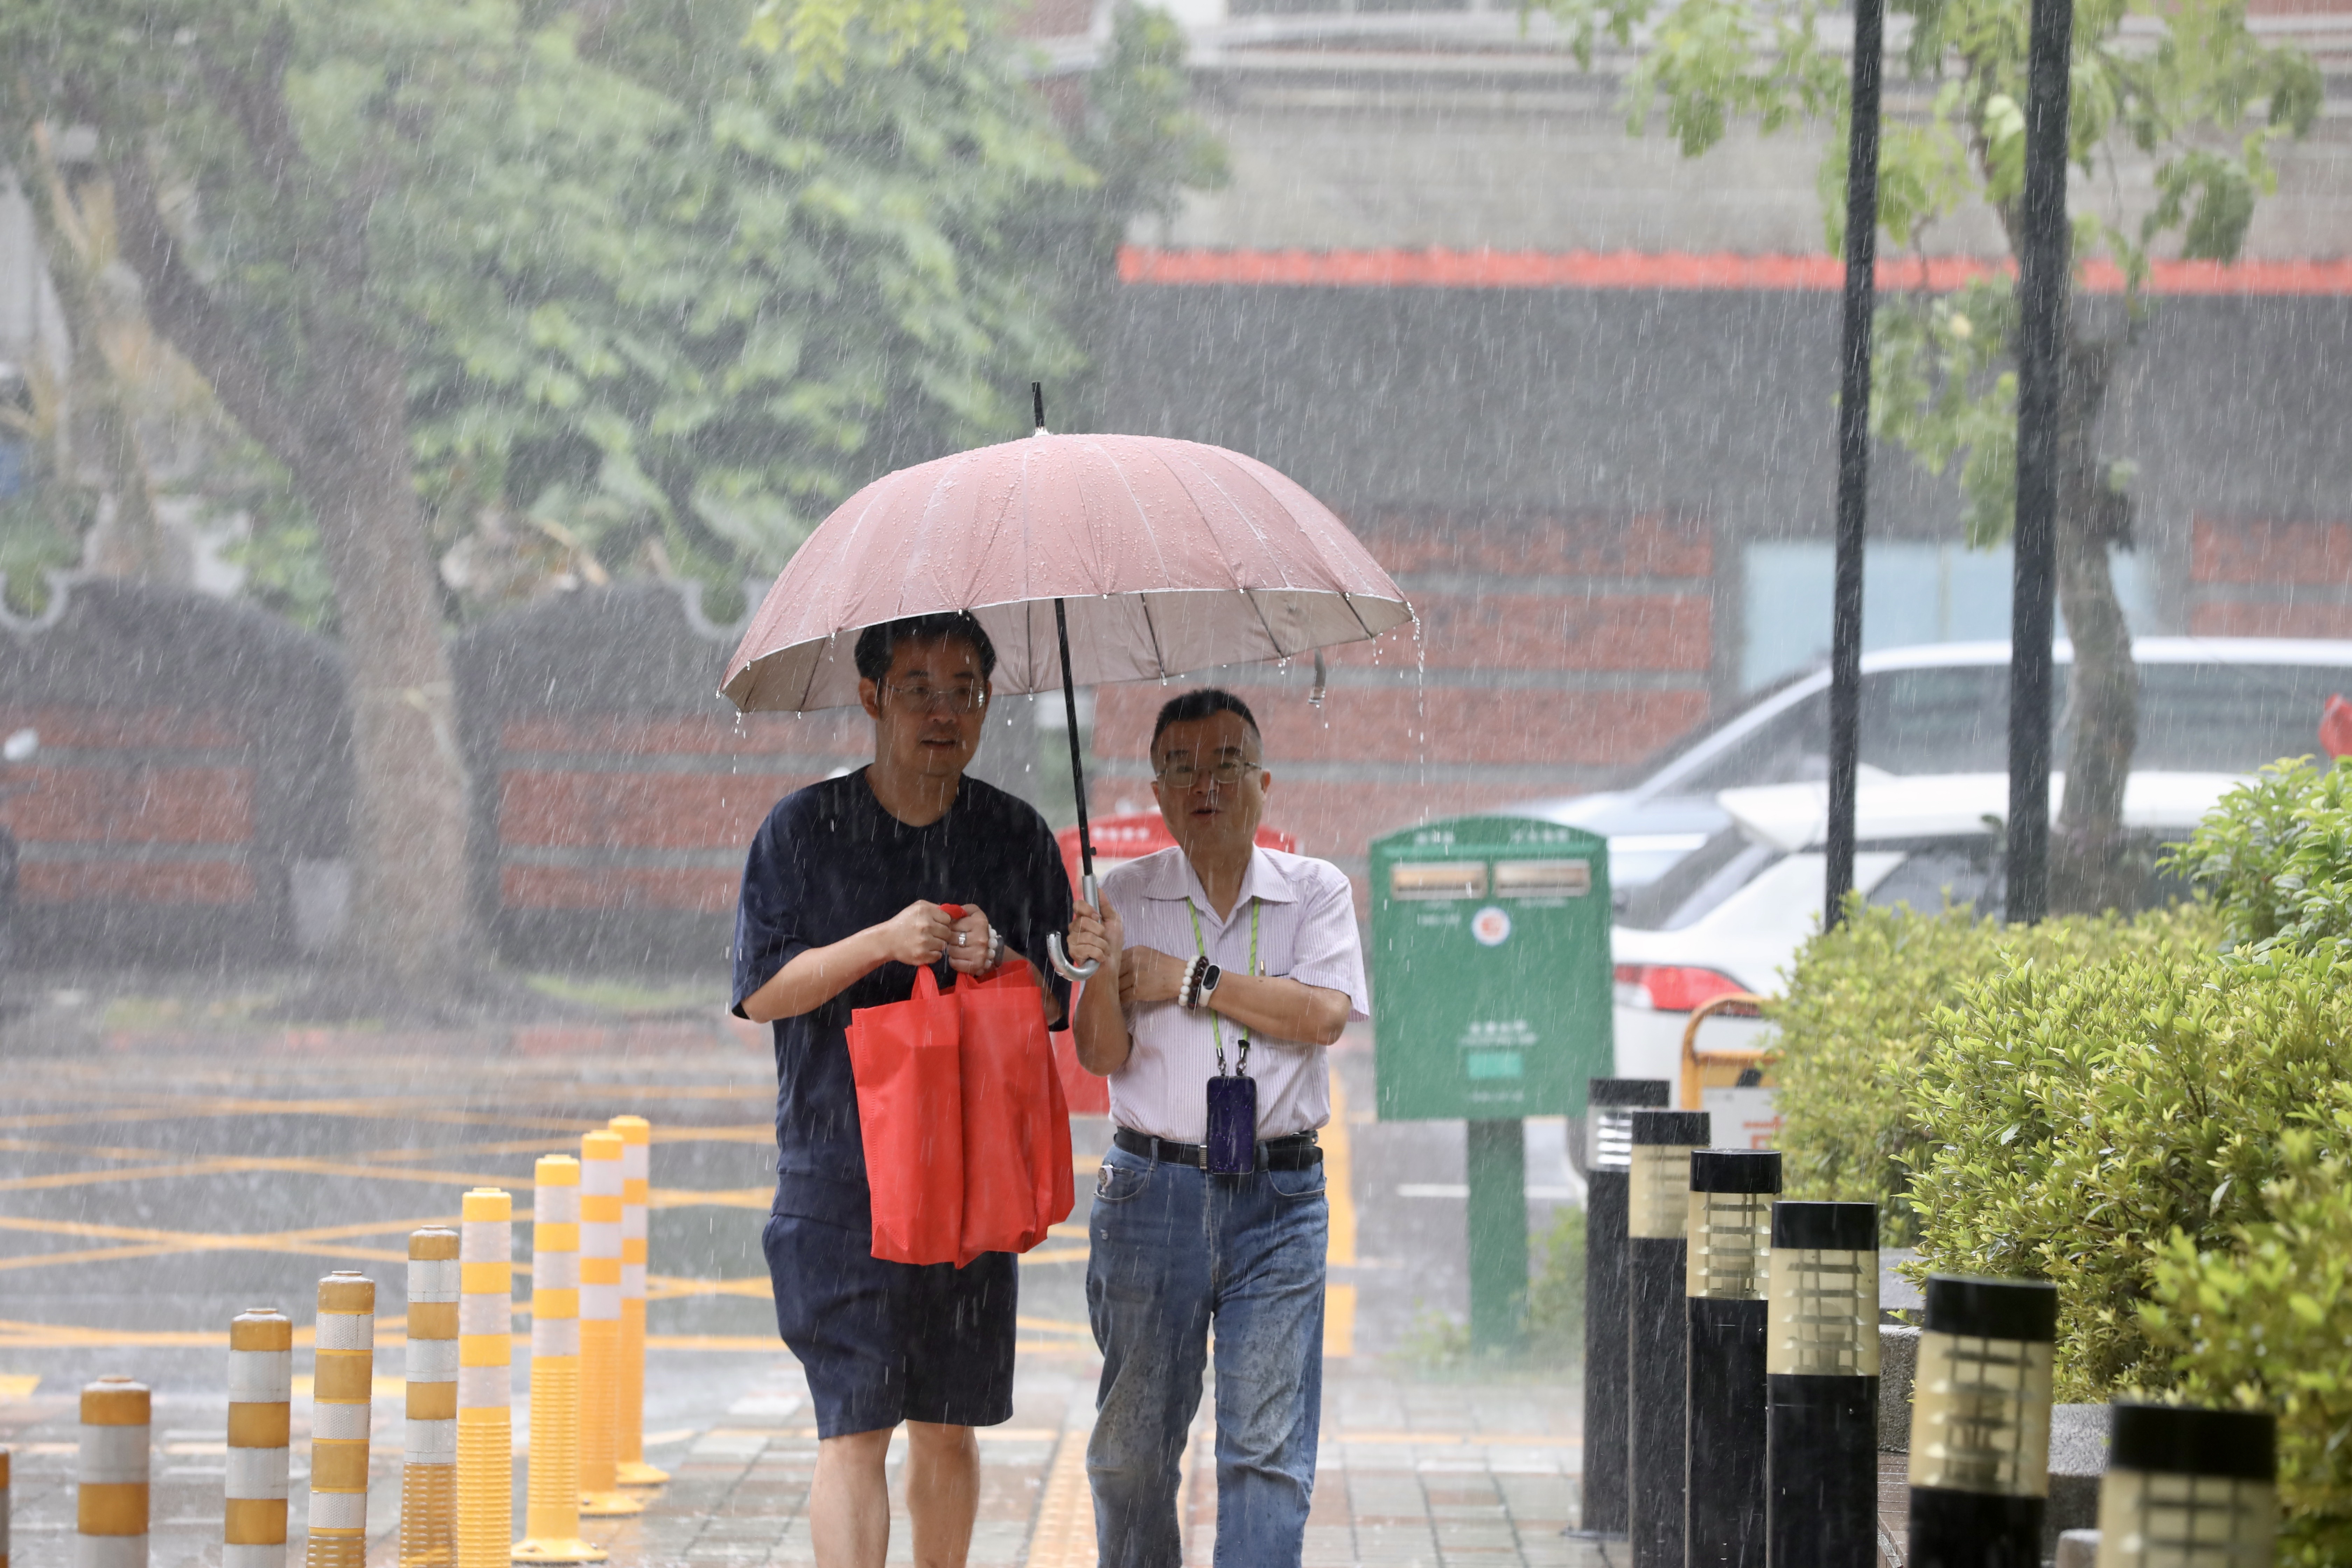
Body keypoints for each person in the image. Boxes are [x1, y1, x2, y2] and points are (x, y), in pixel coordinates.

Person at [732, 612, 1076, 1568]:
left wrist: (1002, 956)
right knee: (854, 1429)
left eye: (965, 689)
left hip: (969, 1176)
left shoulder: (1015, 836)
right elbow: (761, 991)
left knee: (948, 1426)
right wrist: (882, 941)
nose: (944, 711)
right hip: (842, 1182)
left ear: (988, 704)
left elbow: (1057, 1004)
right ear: (871, 696)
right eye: (920, 688)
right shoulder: (804, 830)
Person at [1063, 687, 1369, 1568]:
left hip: (1277, 1195)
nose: (1207, 783)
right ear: (1156, 792)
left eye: (1227, 762)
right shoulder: (1125, 893)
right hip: (1150, 1192)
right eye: (1182, 767)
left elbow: (1320, 1016)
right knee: (1129, 1457)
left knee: (1264, 1454)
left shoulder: (1315, 892)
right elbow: (1100, 1055)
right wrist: (1101, 967)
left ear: (1265, 783)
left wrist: (1192, 978)